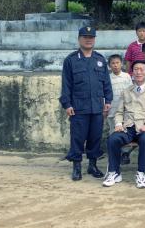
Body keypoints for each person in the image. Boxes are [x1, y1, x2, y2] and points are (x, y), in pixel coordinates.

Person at [59, 26, 113, 181]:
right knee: (78, 137)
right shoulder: (71, 60)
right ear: (79, 39)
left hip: (97, 107)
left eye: (91, 37)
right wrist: (67, 104)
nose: (88, 39)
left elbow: (106, 83)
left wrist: (108, 100)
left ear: (94, 39)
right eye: (85, 37)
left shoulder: (100, 59)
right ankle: (76, 167)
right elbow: (66, 84)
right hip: (78, 107)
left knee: (95, 137)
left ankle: (92, 165)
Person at [103, 60, 145, 188]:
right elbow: (119, 111)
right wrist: (118, 123)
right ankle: (114, 171)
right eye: (136, 69)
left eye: (141, 70)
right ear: (132, 72)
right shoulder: (126, 91)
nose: (138, 72)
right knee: (113, 139)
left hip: (144, 127)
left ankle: (141, 172)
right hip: (127, 127)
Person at [107, 54, 133, 131]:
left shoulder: (126, 76)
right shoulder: (108, 78)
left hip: (125, 109)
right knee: (113, 130)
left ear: (121, 64)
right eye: (113, 63)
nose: (115, 65)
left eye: (117, 63)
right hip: (113, 108)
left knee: (125, 130)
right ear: (109, 65)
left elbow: (130, 91)